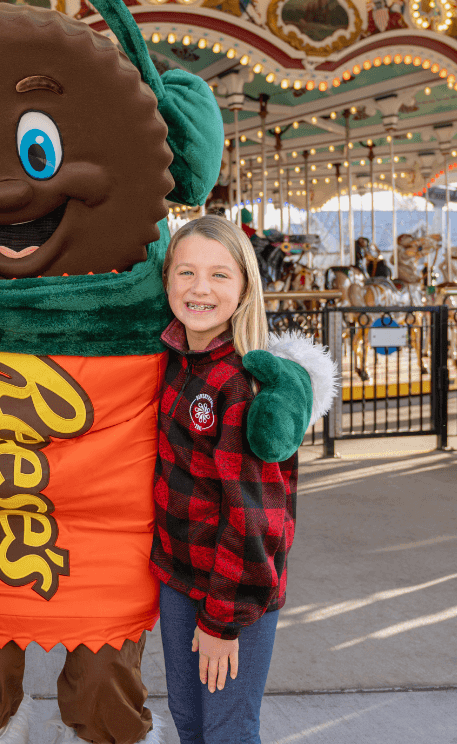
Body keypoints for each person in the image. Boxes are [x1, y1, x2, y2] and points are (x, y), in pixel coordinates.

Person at [152, 215, 298, 744]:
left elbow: (256, 518)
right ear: (166, 280)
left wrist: (222, 622)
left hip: (235, 590)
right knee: (189, 724)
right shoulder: (172, 359)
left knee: (228, 731)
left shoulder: (242, 383)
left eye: (219, 275)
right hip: (179, 577)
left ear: (244, 288)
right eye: (186, 272)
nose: (200, 288)